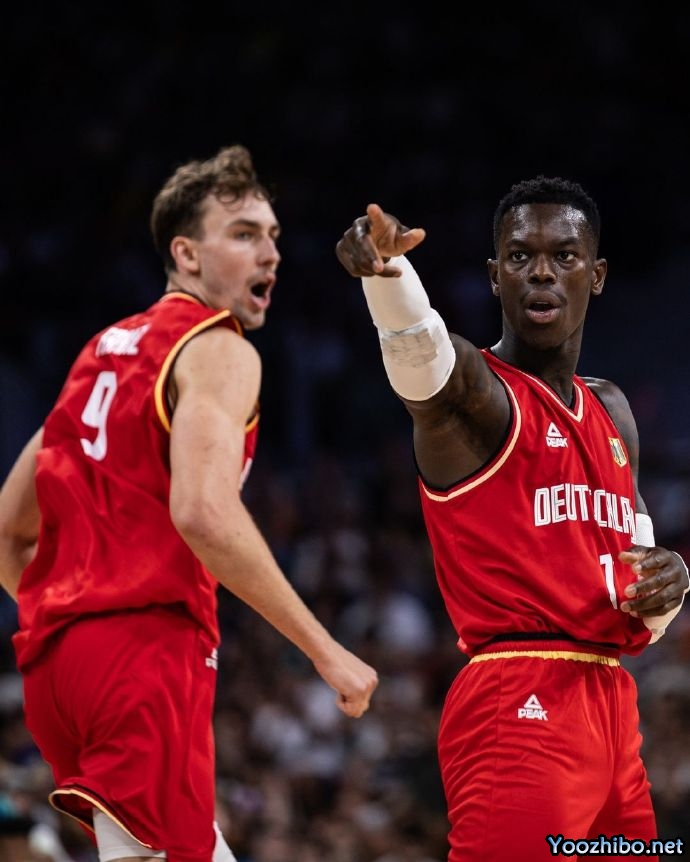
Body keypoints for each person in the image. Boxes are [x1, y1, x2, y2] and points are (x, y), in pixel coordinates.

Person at [0, 144, 379, 862]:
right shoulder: (218, 348)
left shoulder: (100, 352)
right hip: (141, 656)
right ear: (187, 254)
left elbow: (6, 531)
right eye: (243, 233)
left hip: (57, 671)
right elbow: (203, 512)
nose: (270, 252)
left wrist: (74, 624)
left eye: (273, 235)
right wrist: (325, 651)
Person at [335, 177, 690, 862]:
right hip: (518, 694)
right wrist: (388, 277)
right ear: (496, 276)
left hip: (612, 702)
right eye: (521, 256)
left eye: (564, 256)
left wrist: (673, 580)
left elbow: (640, 585)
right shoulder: (480, 397)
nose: (542, 272)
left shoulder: (612, 409)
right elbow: (424, 358)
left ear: (597, 275)